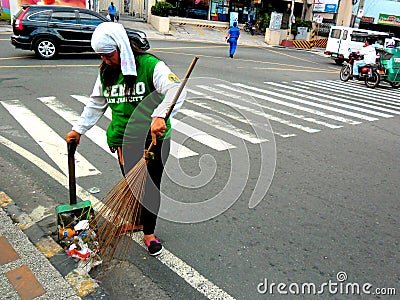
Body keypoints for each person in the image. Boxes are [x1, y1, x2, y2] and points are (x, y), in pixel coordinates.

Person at [65, 22, 186, 256]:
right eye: (101, 55)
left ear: (121, 47)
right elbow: (95, 104)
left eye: (109, 54)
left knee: (150, 188)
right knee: (134, 186)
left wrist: (160, 115)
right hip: (123, 139)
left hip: (153, 138)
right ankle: (140, 221)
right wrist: (78, 130)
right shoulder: (106, 72)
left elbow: (176, 89)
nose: (105, 60)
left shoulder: (150, 66)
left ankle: (149, 233)